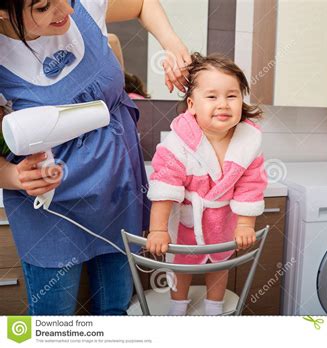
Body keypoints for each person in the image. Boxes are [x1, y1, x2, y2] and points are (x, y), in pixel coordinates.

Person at [0, 0, 190, 315]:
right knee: (54, 324)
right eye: (44, 7)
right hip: (51, 209)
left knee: (115, 312)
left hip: (117, 193)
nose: (67, 10)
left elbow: (143, 4)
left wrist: (172, 44)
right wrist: (14, 176)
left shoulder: (82, 6)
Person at [146, 53, 268, 316]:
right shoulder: (178, 144)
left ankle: (215, 307)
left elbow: (251, 186)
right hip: (186, 219)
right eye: (212, 97)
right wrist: (157, 230)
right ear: (191, 104)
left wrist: (246, 224)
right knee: (180, 263)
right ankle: (178, 306)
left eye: (232, 96)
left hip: (223, 219)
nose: (223, 104)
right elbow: (164, 188)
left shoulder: (247, 143)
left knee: (220, 263)